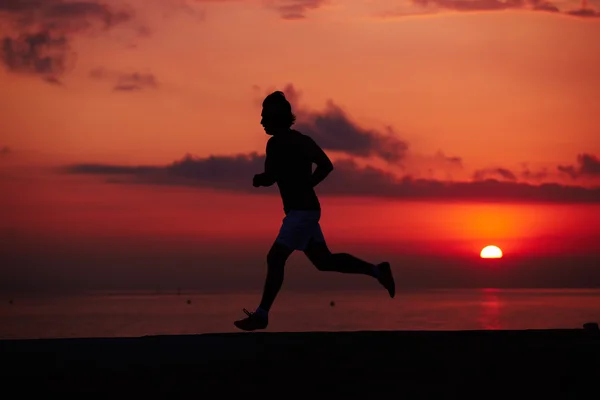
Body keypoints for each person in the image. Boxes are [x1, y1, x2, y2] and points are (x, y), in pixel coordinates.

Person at [234, 91, 395, 331]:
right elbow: (325, 166)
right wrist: (306, 183)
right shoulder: (301, 141)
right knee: (324, 261)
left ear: (277, 117)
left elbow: (271, 177)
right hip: (306, 211)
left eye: (265, 116)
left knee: (275, 257)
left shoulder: (276, 144)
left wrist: (262, 179)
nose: (261, 122)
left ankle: (262, 314)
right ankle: (377, 271)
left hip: (301, 213)